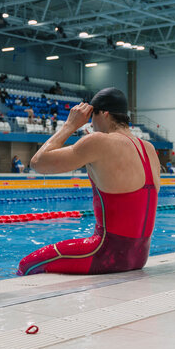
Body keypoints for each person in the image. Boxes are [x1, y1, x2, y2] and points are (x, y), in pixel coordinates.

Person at [18, 87, 160, 275]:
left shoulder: (99, 141)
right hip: (139, 257)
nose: (91, 124)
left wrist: (70, 125)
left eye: (92, 117)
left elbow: (38, 163)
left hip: (105, 254)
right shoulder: (149, 149)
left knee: (26, 265)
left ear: (105, 114)